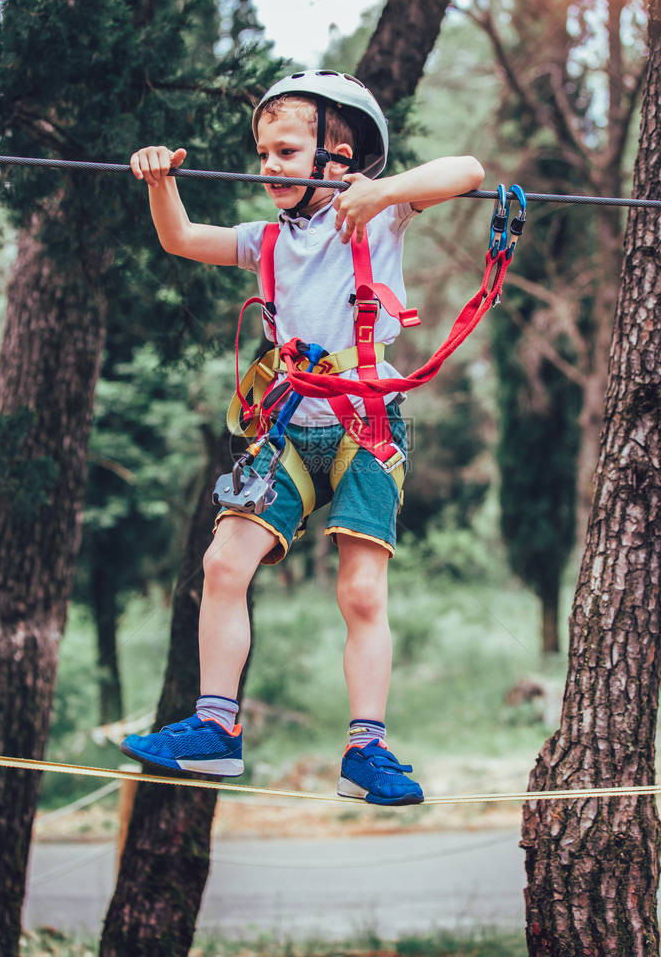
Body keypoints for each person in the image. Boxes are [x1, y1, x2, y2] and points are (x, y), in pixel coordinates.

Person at [121, 70, 485, 805]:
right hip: (287, 423)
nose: (268, 167)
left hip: (364, 421)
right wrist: (161, 180)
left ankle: (366, 748)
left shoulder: (377, 216)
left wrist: (383, 191)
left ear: (339, 157)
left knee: (359, 589)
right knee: (224, 562)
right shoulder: (262, 241)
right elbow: (183, 238)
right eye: (262, 153)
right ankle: (215, 729)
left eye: (286, 151)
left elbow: (469, 171)